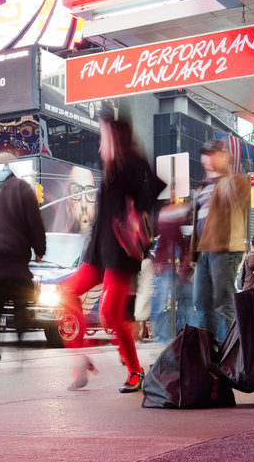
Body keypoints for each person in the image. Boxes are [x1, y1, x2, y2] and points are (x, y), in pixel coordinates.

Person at [60, 113, 165, 394]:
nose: (99, 145)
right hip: (97, 251)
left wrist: (137, 208)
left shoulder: (131, 164)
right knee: (65, 293)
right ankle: (81, 356)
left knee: (110, 313)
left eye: (103, 137)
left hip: (119, 252)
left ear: (115, 138)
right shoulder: (107, 166)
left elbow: (154, 187)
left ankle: (135, 370)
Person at [0, 153, 46, 370]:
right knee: (21, 302)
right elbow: (35, 222)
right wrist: (39, 249)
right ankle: (19, 344)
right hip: (13, 259)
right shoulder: (24, 189)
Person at [190, 138, 251, 344]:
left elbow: (235, 199)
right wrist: (193, 255)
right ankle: (210, 350)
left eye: (212, 154)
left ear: (223, 156)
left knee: (223, 302)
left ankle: (230, 351)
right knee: (201, 301)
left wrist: (223, 172)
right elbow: (197, 221)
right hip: (204, 251)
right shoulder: (203, 186)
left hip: (224, 249)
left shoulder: (235, 181)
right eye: (205, 154)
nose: (207, 159)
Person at [151, 199, 193, 343]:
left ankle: (166, 335)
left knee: (165, 301)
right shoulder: (173, 218)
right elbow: (176, 240)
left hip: (167, 267)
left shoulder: (163, 217)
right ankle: (173, 334)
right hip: (170, 267)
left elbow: (168, 241)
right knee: (178, 301)